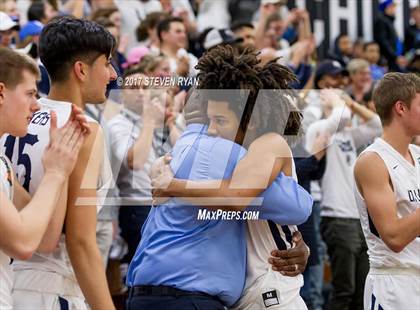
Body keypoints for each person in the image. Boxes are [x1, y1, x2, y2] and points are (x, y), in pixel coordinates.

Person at [135, 45, 312, 310]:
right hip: (247, 292)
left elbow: (236, 196)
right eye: (209, 121)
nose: (212, 130)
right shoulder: (234, 153)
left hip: (270, 288)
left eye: (220, 121)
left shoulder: (268, 142)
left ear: (248, 120)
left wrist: (172, 185)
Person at [0, 16, 117, 309]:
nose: (113, 74)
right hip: (54, 289)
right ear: (81, 69)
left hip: (12, 281)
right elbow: (80, 242)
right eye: (107, 63)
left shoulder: (13, 120)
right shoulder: (82, 128)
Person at [0, 47, 88, 310]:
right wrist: (55, 172)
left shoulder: (3, 163)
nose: (36, 104)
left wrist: (61, 154)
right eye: (29, 94)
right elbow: (24, 243)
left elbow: (46, 237)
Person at [353, 72, 420, 310]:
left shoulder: (418, 154)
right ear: (401, 108)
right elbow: (394, 237)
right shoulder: (373, 160)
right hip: (394, 284)